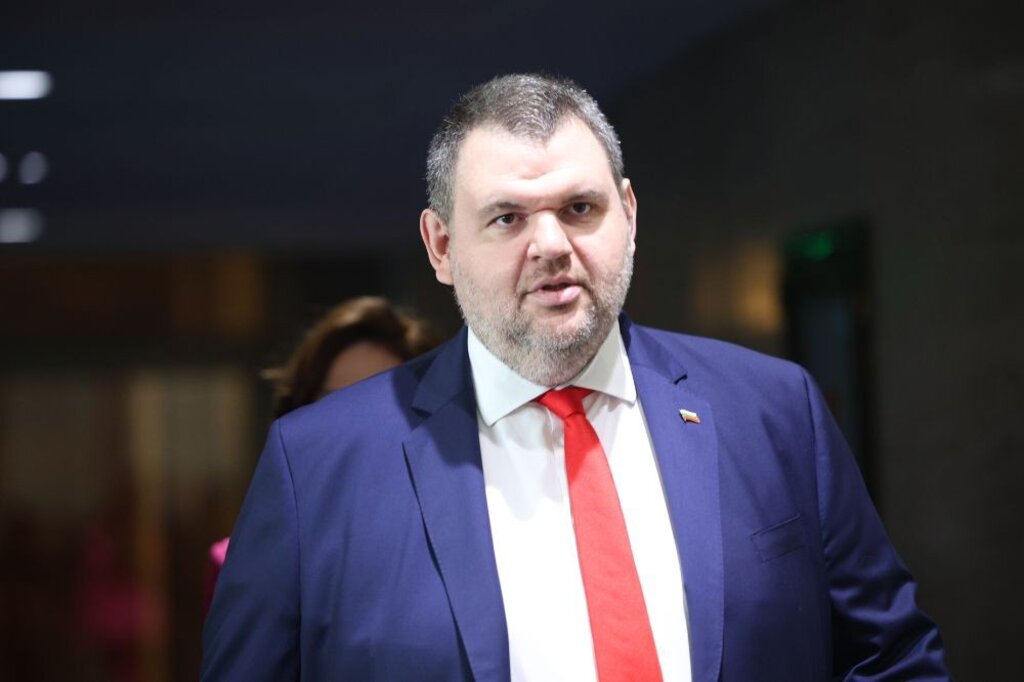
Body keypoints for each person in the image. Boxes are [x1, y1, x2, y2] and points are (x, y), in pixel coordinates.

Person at [202, 74, 949, 680]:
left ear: (628, 214)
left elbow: (891, 659)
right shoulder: (318, 464)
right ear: (440, 247)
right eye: (507, 218)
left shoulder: (774, 410)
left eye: (580, 207)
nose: (552, 244)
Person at [201, 296, 438, 614]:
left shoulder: (473, 558)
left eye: (379, 405)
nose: (353, 429)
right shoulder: (243, 568)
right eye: (332, 405)